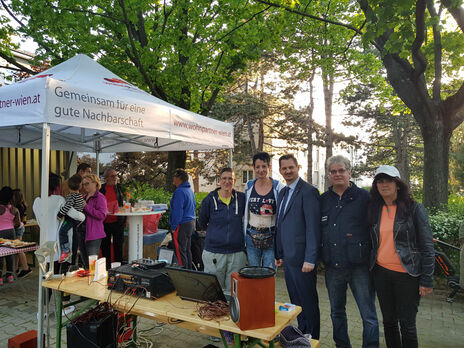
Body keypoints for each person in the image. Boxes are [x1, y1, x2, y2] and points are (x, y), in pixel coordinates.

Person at [368, 165, 434, 348]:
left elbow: (427, 246)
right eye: (379, 181)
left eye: (388, 180)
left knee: (407, 325)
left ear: (398, 184)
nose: (384, 185)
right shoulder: (375, 209)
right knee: (389, 323)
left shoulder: (414, 209)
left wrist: (427, 279)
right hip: (381, 274)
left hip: (408, 275)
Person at [320, 155, 379, 348]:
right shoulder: (323, 200)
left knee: (368, 314)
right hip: (333, 267)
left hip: (359, 267)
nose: (337, 174)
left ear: (349, 172)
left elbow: (376, 228)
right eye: (333, 171)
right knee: (336, 312)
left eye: (341, 171)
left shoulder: (364, 198)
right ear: (328, 175)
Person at [275, 154, 320, 340]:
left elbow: (313, 228)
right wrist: (278, 252)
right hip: (289, 259)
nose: (287, 171)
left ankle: (313, 338)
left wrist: (310, 258)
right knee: (296, 302)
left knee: (308, 302)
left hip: (303, 260)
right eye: (284, 168)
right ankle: (302, 334)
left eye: (290, 167)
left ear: (298, 167)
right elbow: (280, 224)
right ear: (280, 171)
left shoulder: (309, 191)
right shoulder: (283, 192)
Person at [198, 167, 246, 292]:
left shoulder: (241, 198)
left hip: (236, 253)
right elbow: (202, 222)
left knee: (234, 291)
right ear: (219, 181)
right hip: (214, 252)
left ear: (234, 181)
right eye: (224, 178)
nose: (227, 181)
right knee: (214, 290)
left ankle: (232, 312)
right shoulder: (209, 200)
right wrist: (215, 234)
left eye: (230, 178)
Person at [244, 152, 284, 268]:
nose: (261, 170)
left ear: (269, 167)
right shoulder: (249, 185)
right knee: (253, 271)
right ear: (253, 168)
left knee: (269, 273)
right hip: (252, 235)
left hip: (271, 237)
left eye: (264, 166)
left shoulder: (278, 187)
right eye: (257, 167)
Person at [169, 169, 196, 269]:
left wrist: (174, 226)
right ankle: (189, 271)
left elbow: (177, 211)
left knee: (180, 251)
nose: (173, 179)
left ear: (178, 178)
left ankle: (183, 273)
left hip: (182, 224)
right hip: (191, 223)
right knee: (187, 249)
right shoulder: (189, 190)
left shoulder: (179, 192)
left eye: (174, 177)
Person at [100, 168, 126, 270]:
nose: (115, 178)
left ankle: (119, 269)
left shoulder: (120, 188)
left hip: (118, 221)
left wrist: (126, 219)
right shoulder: (101, 189)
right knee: (105, 246)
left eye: (116, 176)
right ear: (106, 178)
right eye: (112, 176)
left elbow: (124, 203)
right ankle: (107, 269)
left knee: (118, 246)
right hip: (105, 222)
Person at [57, 174, 86, 263]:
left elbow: (68, 206)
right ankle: (72, 250)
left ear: (68, 186)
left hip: (71, 219)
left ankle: (66, 250)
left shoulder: (71, 196)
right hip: (78, 220)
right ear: (80, 187)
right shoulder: (80, 196)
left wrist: (60, 214)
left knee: (62, 232)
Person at [82, 174, 107, 268]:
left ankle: (93, 282)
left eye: (87, 183)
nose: (85, 186)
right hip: (82, 233)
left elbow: (102, 215)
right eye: (83, 184)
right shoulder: (85, 196)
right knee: (85, 264)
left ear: (95, 183)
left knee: (92, 264)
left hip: (94, 235)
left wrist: (86, 207)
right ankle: (86, 282)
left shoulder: (100, 197)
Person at [0, 186, 21, 284]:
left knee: (0, 255)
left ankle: (0, 278)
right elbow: (18, 224)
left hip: (0, 232)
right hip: (11, 232)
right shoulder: (14, 209)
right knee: (9, 254)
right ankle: (10, 276)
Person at [11, 188, 32, 278]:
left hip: (17, 228)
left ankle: (26, 268)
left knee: (19, 249)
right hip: (21, 227)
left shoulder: (17, 207)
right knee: (17, 249)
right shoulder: (22, 205)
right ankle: (15, 269)